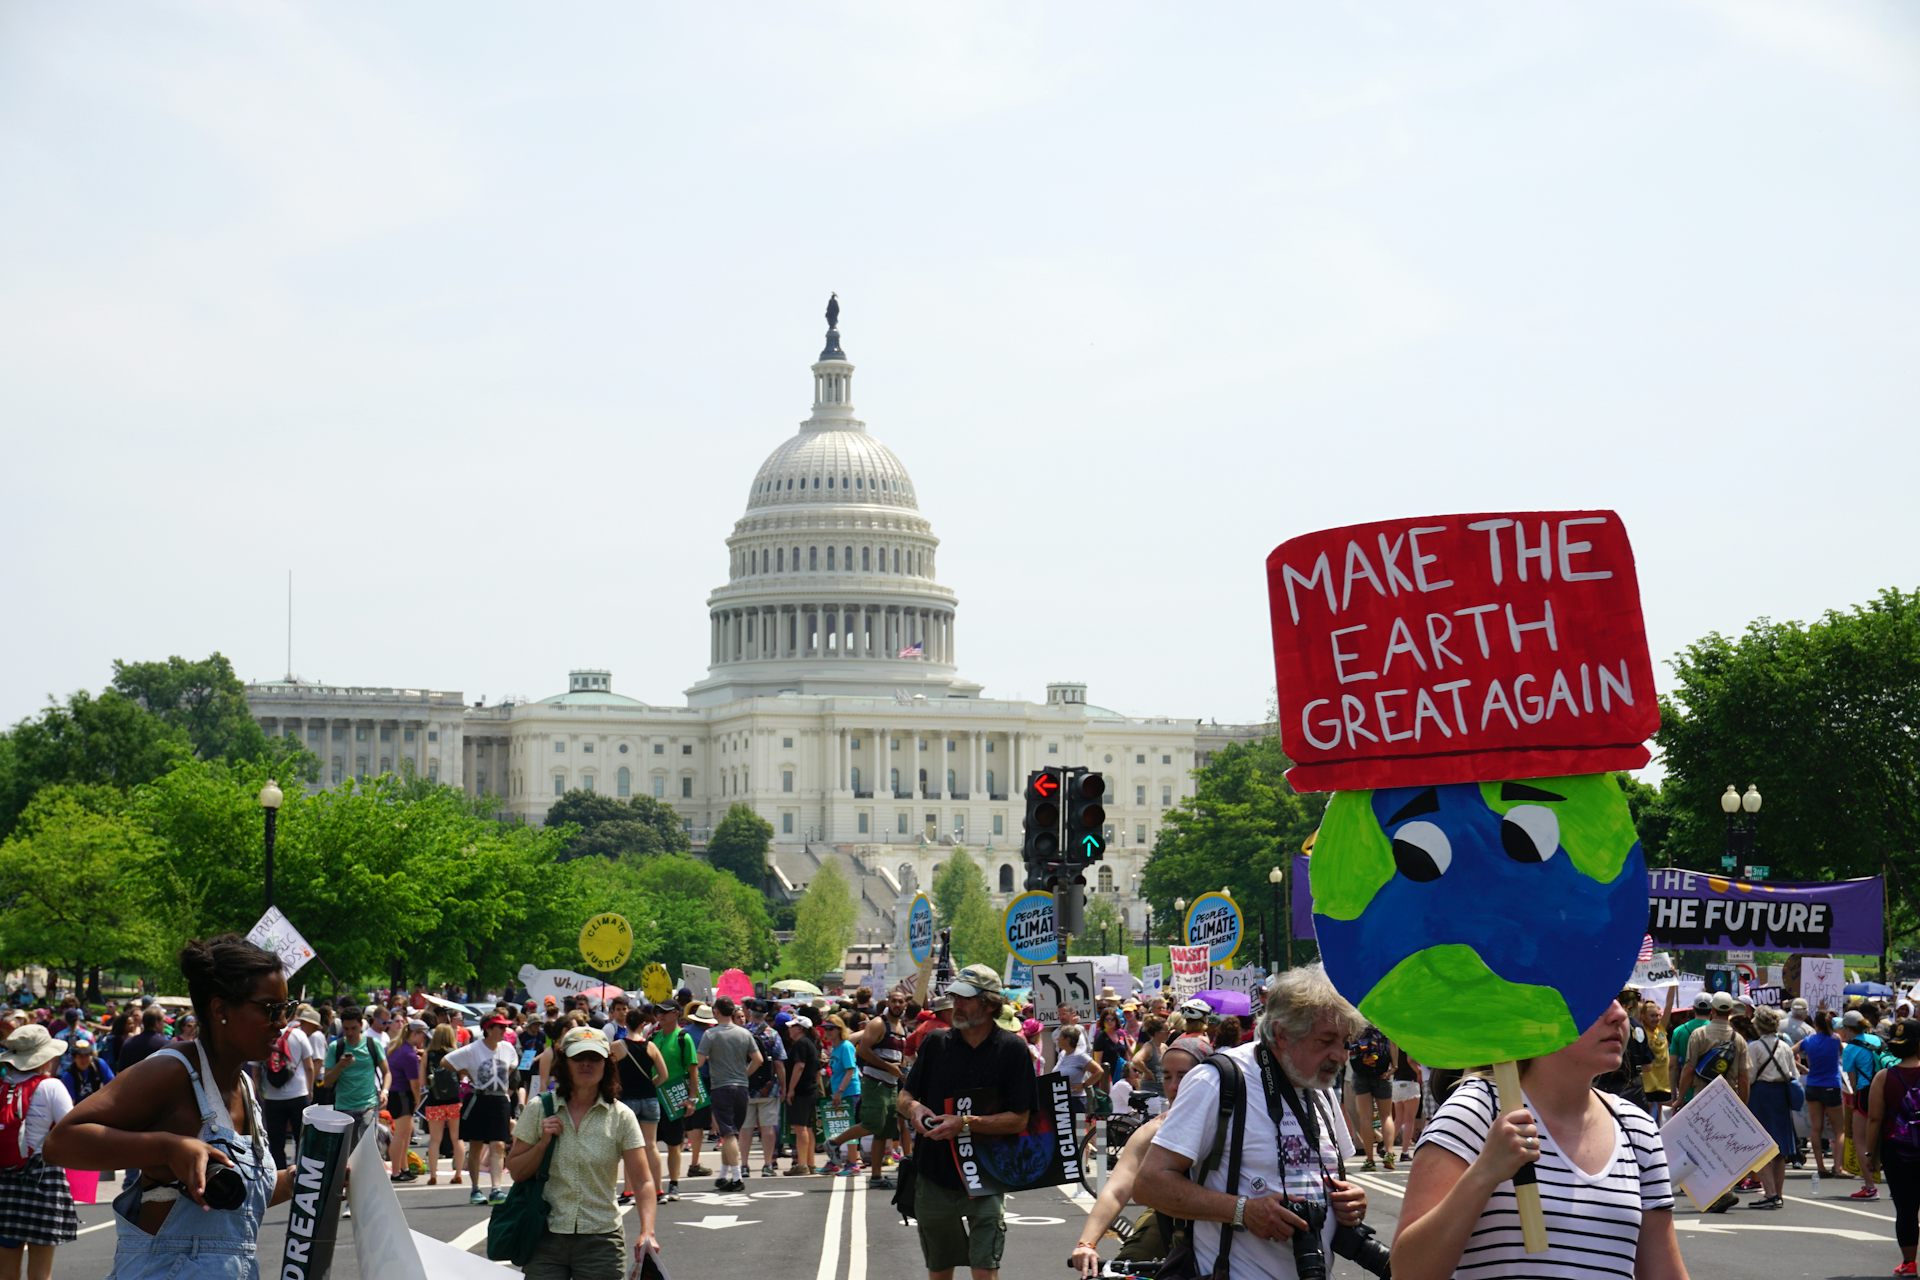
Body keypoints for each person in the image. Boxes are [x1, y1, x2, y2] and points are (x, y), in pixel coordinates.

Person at [46, 934, 298, 1280]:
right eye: (271, 1009)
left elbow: (235, 1204)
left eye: (287, 1009)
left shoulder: (244, 1085)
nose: (282, 1022)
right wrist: (167, 1147)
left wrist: (308, 1179)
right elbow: (61, 1143)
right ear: (220, 1009)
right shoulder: (173, 1071)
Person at [1395, 995, 1684, 1280]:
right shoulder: (1477, 1112)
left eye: (1617, 998)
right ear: (1538, 1014)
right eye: (1595, 1000)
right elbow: (1408, 1272)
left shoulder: (1637, 1129)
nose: (1618, 1015)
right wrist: (1484, 1174)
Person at [1135, 967, 1369, 1280]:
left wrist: (1351, 1199)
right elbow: (1149, 1184)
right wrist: (1243, 1211)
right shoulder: (1218, 1082)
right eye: (1326, 1040)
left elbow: (1317, 1178)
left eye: (1345, 1042)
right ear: (1282, 1033)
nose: (1340, 1055)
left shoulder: (1319, 1089)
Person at [897, 964, 1037, 1280]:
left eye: (965, 998)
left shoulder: (1013, 1049)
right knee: (940, 1269)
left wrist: (965, 1123)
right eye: (954, 997)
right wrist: (916, 1109)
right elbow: (904, 1098)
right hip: (934, 1173)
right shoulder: (935, 1043)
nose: (956, 1004)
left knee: (984, 1269)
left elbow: (1019, 1120)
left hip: (987, 1174)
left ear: (989, 1004)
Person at [506, 1026, 660, 1279]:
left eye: (595, 1058)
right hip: (545, 1235)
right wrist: (542, 1144)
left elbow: (643, 1180)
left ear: (606, 1064)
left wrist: (648, 1231)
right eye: (578, 1057)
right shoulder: (539, 1109)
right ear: (564, 1062)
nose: (586, 1064)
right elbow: (516, 1171)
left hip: (601, 1239)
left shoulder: (621, 1116)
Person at [1070, 1034, 1211, 1277]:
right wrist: (1086, 1244)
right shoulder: (1153, 1130)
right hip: (1166, 1217)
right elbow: (1116, 1189)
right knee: (1122, 1269)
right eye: (1167, 1076)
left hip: (1221, 1219)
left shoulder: (1233, 1127)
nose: (1174, 1086)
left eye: (1184, 1075)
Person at [0, 1025, 78, 1279]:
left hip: (4, 1182)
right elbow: (72, 1130)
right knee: (40, 1273)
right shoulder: (51, 1087)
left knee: (5, 1269)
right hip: (42, 1179)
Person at [826, 987, 906, 1188]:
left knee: (883, 1132)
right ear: (887, 1002)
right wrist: (889, 1067)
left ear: (905, 1004)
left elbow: (896, 1057)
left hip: (891, 1085)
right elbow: (862, 1051)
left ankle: (876, 1177)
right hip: (875, 1083)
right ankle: (834, 1143)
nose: (897, 1004)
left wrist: (900, 1070)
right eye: (894, 1001)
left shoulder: (900, 1027)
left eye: (901, 1001)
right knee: (872, 1124)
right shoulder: (879, 1023)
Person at [443, 1015, 517, 1205]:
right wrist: (465, 1072)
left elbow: (512, 1065)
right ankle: (475, 1189)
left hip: (500, 1100)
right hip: (479, 1099)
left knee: (498, 1144)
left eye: (504, 1027)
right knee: (476, 1145)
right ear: (488, 1029)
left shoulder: (507, 1048)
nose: (503, 1031)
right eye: (499, 1027)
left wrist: (502, 1080)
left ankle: (496, 1189)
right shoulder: (473, 1049)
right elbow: (446, 1061)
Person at [1865, 1018, 1920, 1277]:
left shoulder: (1884, 1077)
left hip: (1897, 1152)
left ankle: (1909, 1263)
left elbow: (1875, 1118)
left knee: (1906, 1208)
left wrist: (1870, 1155)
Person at [693, 997, 761, 1193]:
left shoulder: (710, 1034)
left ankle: (737, 1177)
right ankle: (723, 1175)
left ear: (715, 1011)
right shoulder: (744, 1033)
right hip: (741, 1087)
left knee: (728, 1133)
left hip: (720, 1087)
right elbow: (758, 1059)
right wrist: (744, 1074)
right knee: (730, 1133)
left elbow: (699, 1062)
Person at [1745, 1005, 1799, 1209]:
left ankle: (1769, 1193)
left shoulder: (1755, 1047)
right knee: (1779, 1149)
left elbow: (1750, 1077)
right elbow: (1793, 1074)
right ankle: (1778, 1194)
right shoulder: (1785, 1046)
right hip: (1781, 1097)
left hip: (1761, 1095)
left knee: (1759, 1146)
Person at [614, 1009, 668, 1205]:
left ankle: (629, 1191)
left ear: (626, 1023)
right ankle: (659, 1189)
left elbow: (608, 1072)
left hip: (627, 1100)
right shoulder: (651, 1046)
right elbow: (664, 1075)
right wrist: (652, 1084)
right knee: (651, 1145)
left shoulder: (617, 1046)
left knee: (629, 1146)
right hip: (650, 1098)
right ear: (643, 1024)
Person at [258, 1004, 320, 1172]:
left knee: (276, 1141)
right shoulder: (299, 1035)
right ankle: (303, 1172)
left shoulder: (264, 1034)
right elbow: (309, 1066)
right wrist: (310, 1089)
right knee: (302, 1138)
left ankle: (279, 1175)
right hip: (298, 1094)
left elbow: (256, 1068)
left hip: (272, 1096)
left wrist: (260, 1090)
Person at [318, 1008, 388, 1154]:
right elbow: (327, 1082)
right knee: (346, 1154)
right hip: (343, 1107)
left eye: (353, 1028)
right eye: (346, 1029)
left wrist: (385, 1091)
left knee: (367, 1151)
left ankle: (367, 1176)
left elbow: (387, 1072)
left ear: (361, 1025)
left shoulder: (372, 1044)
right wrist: (340, 1065)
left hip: (367, 1105)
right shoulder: (336, 1047)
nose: (349, 1033)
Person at [649, 1002, 698, 1202]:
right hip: (653, 1097)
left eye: (664, 1012)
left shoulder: (683, 1038)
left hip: (675, 1096)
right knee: (650, 1144)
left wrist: (692, 1099)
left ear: (676, 1013)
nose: (659, 1015)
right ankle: (654, 1185)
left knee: (674, 1143)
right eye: (657, 1012)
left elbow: (692, 1070)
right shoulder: (653, 1037)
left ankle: (674, 1183)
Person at [1842, 1009, 1889, 1201]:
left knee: (1860, 1140)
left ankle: (1870, 1186)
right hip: (1886, 1091)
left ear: (1847, 1028)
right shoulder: (1876, 1040)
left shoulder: (1850, 1049)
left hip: (1865, 1094)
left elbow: (1851, 1082)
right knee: (1886, 1137)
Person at [1798, 1009, 1846, 1188]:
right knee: (1839, 1130)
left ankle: (1820, 1166)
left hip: (1813, 1085)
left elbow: (1790, 1050)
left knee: (1816, 1129)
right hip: (1831, 1085)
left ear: (1815, 1024)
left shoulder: (1808, 1040)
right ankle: (1838, 1167)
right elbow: (1844, 1053)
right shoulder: (1835, 1040)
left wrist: (1802, 1068)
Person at [741, 1002, 787, 1179]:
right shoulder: (772, 1034)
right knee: (767, 1127)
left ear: (750, 1012)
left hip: (746, 1086)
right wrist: (783, 1086)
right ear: (766, 1014)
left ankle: (744, 1165)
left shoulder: (743, 1032)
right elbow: (779, 1063)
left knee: (745, 1128)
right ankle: (767, 1164)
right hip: (769, 1087)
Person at [1347, 1021, 1397, 1170]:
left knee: (1365, 1117)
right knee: (1386, 1116)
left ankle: (1369, 1160)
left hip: (1360, 1074)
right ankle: (1389, 1153)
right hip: (1383, 1073)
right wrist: (1393, 1067)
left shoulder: (1356, 1023)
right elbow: (1393, 1043)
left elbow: (1348, 1046)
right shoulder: (1383, 1021)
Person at [421, 1023, 466, 1187]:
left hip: (434, 1101)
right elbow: (463, 1076)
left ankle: (433, 1175)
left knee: (435, 1140)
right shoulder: (455, 1053)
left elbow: (422, 1081)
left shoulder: (428, 1054)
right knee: (457, 1138)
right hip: (454, 1101)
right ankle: (458, 1174)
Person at [822, 1017, 862, 1175]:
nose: (827, 1031)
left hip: (849, 1091)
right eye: (826, 1028)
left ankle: (853, 1163)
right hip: (839, 1090)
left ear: (839, 1029)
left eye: (831, 1028)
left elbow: (850, 1070)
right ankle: (835, 1161)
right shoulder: (835, 1047)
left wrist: (839, 1091)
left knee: (850, 1127)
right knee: (837, 1126)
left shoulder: (845, 1046)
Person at [782, 1014, 821, 1176]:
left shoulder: (800, 1044)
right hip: (810, 1089)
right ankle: (810, 1162)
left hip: (802, 1091)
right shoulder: (811, 1044)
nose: (789, 1030)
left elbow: (799, 1066)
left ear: (800, 1029)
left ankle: (802, 1164)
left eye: (792, 1027)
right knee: (807, 1127)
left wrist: (790, 1089)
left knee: (800, 1127)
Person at [387, 1020, 425, 1183]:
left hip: (397, 1094)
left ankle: (404, 1168)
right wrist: (417, 1100)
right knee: (401, 1135)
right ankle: (396, 1171)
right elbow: (415, 1083)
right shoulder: (408, 1054)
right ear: (415, 1033)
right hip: (402, 1094)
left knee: (405, 1134)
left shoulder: (399, 1048)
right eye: (422, 1034)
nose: (424, 1038)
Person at [59, 1036, 114, 1105]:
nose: (84, 1060)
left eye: (87, 1055)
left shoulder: (99, 1064)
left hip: (99, 1104)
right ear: (74, 1058)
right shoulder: (68, 1076)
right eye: (80, 1056)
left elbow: (112, 1085)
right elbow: (70, 1103)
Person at [115, 1010, 169, 1074]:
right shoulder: (165, 1044)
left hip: (132, 1082)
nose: (165, 1024)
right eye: (163, 1021)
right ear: (156, 1023)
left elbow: (120, 1071)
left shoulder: (128, 1043)